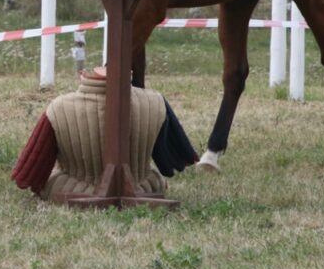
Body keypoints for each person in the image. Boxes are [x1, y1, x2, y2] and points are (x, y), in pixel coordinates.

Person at [11, 66, 197, 200]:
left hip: (73, 190)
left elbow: (29, 175)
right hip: (143, 188)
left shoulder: (60, 107)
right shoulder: (155, 102)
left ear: (84, 75)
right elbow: (173, 161)